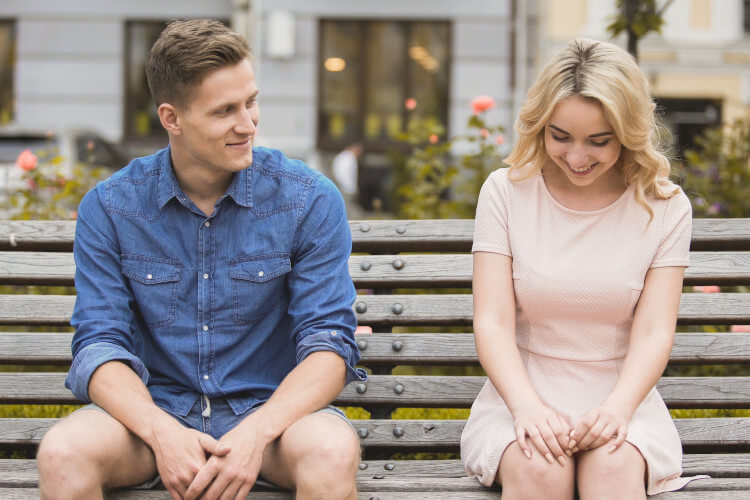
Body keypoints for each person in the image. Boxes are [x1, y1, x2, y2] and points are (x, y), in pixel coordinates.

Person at [36, 19, 364, 500]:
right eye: (224, 111)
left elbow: (330, 345)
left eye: (251, 102)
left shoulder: (307, 200)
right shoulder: (111, 207)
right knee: (63, 455)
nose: (248, 124)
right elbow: (99, 346)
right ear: (172, 118)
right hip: (154, 418)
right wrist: (159, 431)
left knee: (332, 452)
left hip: (273, 420)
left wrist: (256, 434)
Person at [460, 38, 707, 498]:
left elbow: (655, 331)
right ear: (540, 126)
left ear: (628, 132)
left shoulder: (666, 206)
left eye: (599, 141)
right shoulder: (505, 192)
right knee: (539, 470)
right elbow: (491, 321)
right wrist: (527, 408)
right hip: (521, 397)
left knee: (612, 472)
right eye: (560, 137)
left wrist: (618, 408)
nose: (577, 158)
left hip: (623, 399)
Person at [331, 143, 364, 218]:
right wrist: (350, 188)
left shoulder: (343, 156)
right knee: (349, 212)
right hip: (346, 189)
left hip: (344, 188)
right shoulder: (348, 157)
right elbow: (344, 174)